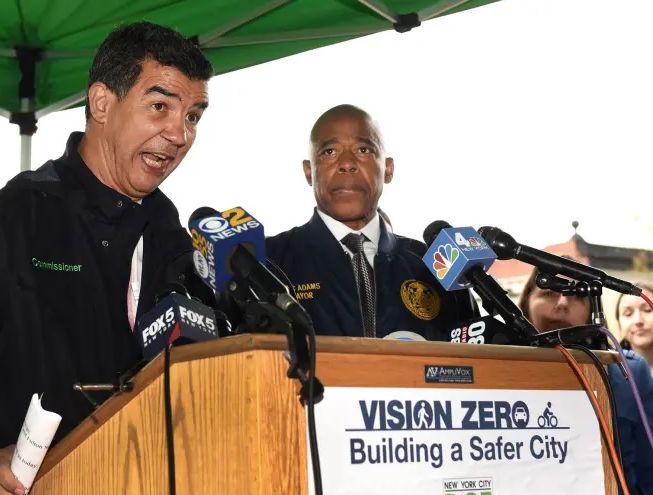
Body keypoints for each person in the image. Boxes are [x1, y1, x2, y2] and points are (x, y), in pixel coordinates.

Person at [0, 22, 213, 495]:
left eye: (193, 116)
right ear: (102, 103)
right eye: (160, 107)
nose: (180, 134)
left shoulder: (179, 248)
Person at [266, 105, 477, 339]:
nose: (347, 163)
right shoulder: (266, 264)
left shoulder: (435, 267)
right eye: (329, 152)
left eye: (363, 150)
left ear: (388, 169)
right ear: (308, 172)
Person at [518, 265, 653, 494]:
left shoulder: (630, 371)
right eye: (548, 292)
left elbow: (648, 475)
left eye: (576, 294)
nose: (562, 303)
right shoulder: (496, 368)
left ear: (592, 311)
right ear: (526, 305)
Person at [616, 282, 653, 374]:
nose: (637, 320)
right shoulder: (609, 370)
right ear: (619, 324)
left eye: (647, 310)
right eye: (628, 314)